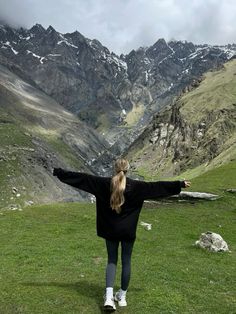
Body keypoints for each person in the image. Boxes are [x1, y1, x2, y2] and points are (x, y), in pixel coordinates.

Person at [53, 159, 190, 312]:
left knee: (112, 261)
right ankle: (122, 297)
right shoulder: (138, 187)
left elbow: (82, 179)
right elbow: (158, 186)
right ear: (127, 170)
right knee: (127, 262)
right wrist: (179, 184)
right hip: (128, 231)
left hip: (110, 230)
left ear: (115, 169)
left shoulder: (103, 184)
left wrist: (59, 172)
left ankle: (109, 298)